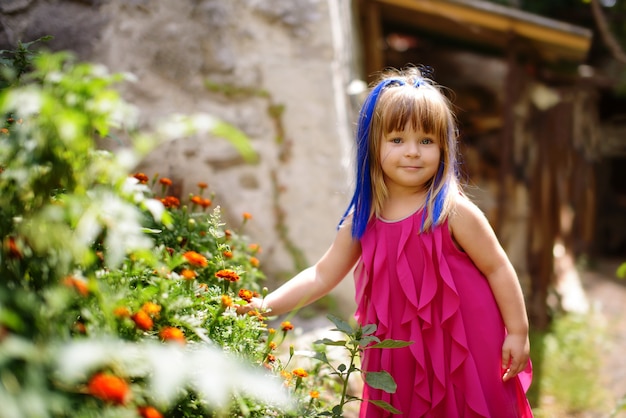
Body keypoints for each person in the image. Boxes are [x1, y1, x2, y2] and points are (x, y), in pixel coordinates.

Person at [239, 66, 533, 417]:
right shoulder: (362, 221)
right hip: (398, 353)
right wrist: (264, 306)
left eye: (426, 140)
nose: (413, 152)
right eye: (397, 140)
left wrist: (518, 331)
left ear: (443, 146)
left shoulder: (451, 211)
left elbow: (497, 266)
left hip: (465, 344)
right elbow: (322, 274)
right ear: (372, 145)